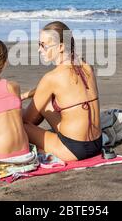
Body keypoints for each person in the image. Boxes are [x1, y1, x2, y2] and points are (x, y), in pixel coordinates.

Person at [21, 21, 102, 161]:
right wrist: (25, 95)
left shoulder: (52, 78)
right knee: (46, 104)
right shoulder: (87, 67)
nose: (40, 50)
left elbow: (27, 119)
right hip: (97, 144)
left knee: (20, 125)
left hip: (74, 150)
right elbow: (49, 90)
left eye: (43, 45)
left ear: (60, 47)